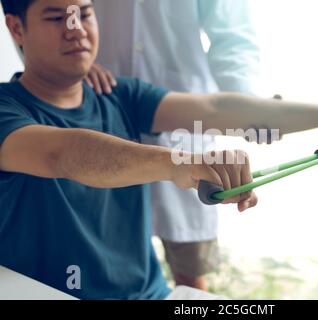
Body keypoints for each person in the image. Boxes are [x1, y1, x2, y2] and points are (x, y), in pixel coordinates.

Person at [0, 0, 318, 300]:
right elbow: (62, 154)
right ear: (16, 28)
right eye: (56, 17)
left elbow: (219, 109)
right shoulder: (6, 109)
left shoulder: (122, 95)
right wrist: (180, 164)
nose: (76, 29)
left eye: (85, 13)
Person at [89, 0, 261, 291]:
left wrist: (247, 107)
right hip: (103, 101)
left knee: (190, 270)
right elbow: (39, 14)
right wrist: (73, 65)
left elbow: (231, 33)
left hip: (182, 114)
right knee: (104, 258)